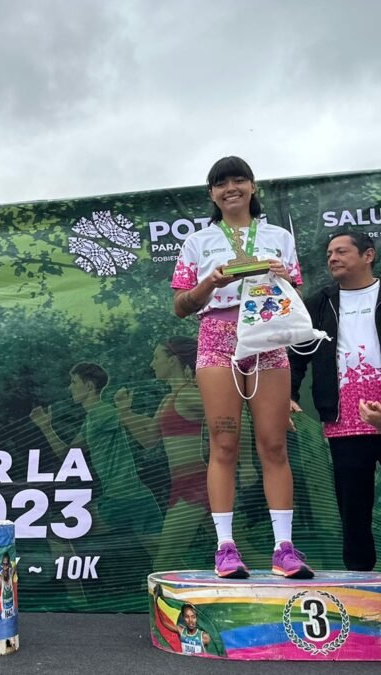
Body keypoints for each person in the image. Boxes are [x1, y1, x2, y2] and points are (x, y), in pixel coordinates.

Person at [171, 156, 312, 579]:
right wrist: (210, 283)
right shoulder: (197, 241)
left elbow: (295, 295)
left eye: (238, 180)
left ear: (252, 186)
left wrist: (284, 276)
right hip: (217, 336)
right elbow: (180, 306)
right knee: (225, 444)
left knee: (273, 444)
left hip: (268, 335)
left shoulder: (279, 236)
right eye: (221, 183)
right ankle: (225, 547)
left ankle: (283, 548)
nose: (230, 188)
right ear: (211, 194)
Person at [290, 230, 381, 571]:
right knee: (353, 508)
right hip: (344, 419)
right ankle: (362, 587)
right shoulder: (321, 301)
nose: (332, 258)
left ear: (367, 255)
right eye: (329, 253)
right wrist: (289, 392)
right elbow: (296, 351)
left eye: (341, 251)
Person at [30, 362, 163, 539]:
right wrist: (46, 427)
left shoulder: (102, 412)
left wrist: (129, 413)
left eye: (74, 382)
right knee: (165, 559)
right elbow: (68, 455)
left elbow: (147, 425)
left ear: (89, 386)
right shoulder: (92, 419)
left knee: (56, 532)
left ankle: (69, 567)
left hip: (120, 499)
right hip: (138, 498)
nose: (70, 387)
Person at [116, 338, 215, 570]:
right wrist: (124, 412)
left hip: (196, 485)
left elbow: (228, 413)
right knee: (245, 551)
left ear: (172, 361)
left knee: (164, 561)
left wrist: (233, 457)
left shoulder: (188, 394)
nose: (152, 364)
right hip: (183, 485)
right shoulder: (169, 399)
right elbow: (149, 440)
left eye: (156, 357)